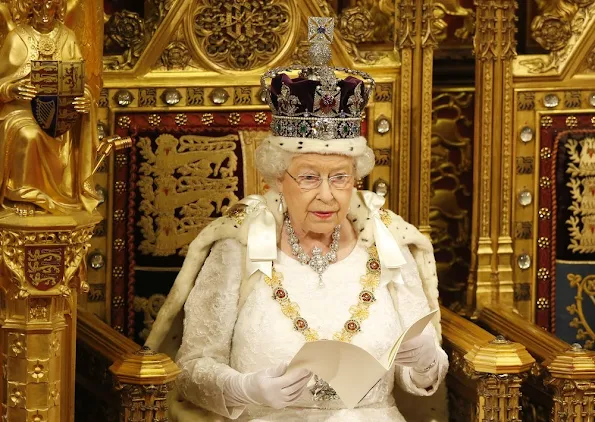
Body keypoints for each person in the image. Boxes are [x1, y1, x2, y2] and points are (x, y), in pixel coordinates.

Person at [146, 16, 448, 422]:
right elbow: (193, 367)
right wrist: (244, 389)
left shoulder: (387, 243)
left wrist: (427, 358)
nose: (327, 194)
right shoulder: (238, 245)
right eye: (308, 177)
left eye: (340, 178)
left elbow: (422, 379)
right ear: (276, 178)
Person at [0, 0, 100, 216]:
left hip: (60, 113)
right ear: (29, 8)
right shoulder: (17, 37)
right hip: (21, 110)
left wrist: (85, 99)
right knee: (29, 135)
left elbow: (80, 84)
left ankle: (61, 195)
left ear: (59, 8)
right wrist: (12, 90)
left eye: (50, 7)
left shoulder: (68, 37)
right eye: (38, 7)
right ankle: (24, 195)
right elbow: (1, 83)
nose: (44, 13)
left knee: (61, 134)